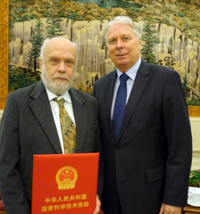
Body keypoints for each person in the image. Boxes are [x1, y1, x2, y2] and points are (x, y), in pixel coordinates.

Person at [93, 16, 192, 214]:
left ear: (139, 42)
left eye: (125, 38)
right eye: (112, 41)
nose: (119, 45)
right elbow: (101, 145)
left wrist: (174, 198)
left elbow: (180, 144)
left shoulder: (165, 80)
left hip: (151, 196)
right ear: (107, 48)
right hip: (110, 199)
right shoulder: (100, 87)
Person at [0, 37, 103, 214]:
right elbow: (6, 166)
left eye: (69, 62)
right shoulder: (18, 102)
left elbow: (98, 158)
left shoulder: (89, 104)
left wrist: (94, 194)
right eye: (54, 60)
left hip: (80, 206)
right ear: (41, 63)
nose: (62, 68)